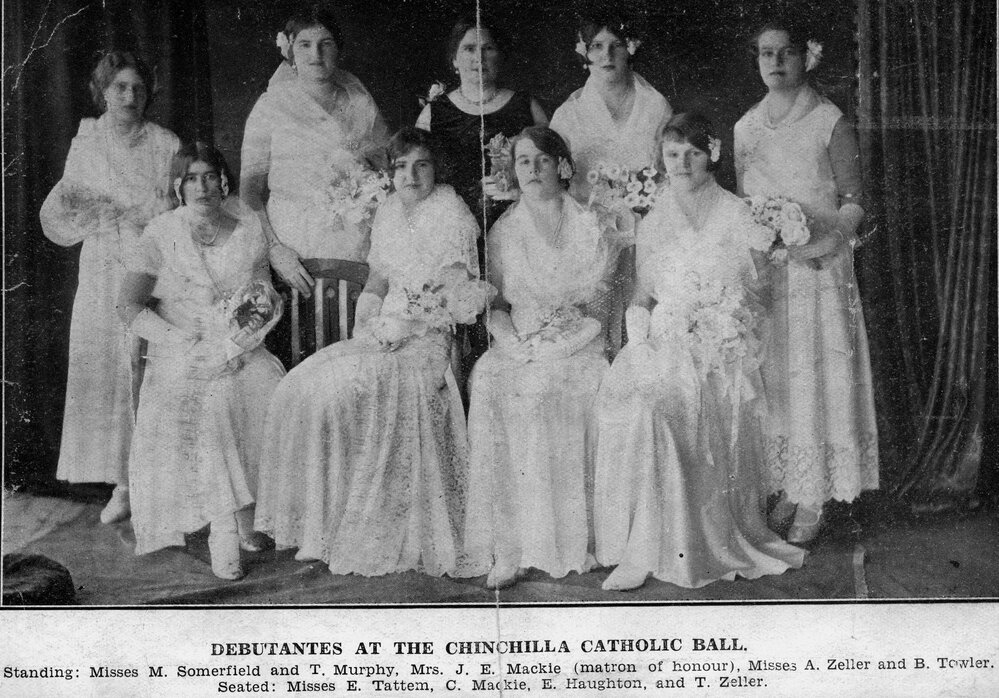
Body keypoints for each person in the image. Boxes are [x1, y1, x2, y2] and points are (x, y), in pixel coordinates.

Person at [254, 128, 486, 577]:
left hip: (428, 338)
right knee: (301, 386)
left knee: (353, 391)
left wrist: (409, 325)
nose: (410, 175)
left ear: (435, 169)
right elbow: (379, 278)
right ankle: (323, 524)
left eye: (421, 164)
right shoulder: (390, 212)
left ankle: (363, 525)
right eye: (401, 166)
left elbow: (455, 290)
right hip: (383, 331)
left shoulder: (452, 212)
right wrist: (368, 322)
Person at [594, 114, 805, 591]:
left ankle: (682, 544)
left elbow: (761, 296)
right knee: (639, 406)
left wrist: (725, 327)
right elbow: (641, 297)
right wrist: (639, 338)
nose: (682, 162)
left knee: (675, 411)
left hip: (724, 347)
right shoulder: (655, 219)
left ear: (711, 153)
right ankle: (640, 547)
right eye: (672, 154)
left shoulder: (739, 213)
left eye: (692, 151)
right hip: (666, 342)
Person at [734, 18, 879, 543]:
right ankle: (790, 486)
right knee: (780, 377)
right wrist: (762, 243)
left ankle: (815, 496)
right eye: (766, 53)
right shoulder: (745, 127)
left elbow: (854, 200)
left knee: (818, 376)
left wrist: (826, 239)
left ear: (807, 58)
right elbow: (744, 205)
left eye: (786, 53)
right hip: (771, 271)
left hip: (820, 269)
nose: (775, 63)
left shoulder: (830, 121)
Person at [118, 143, 285, 580]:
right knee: (211, 407)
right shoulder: (159, 233)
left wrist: (233, 346)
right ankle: (223, 527)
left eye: (210, 175)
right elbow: (129, 306)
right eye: (191, 178)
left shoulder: (247, 228)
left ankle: (250, 516)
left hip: (240, 349)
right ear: (178, 186)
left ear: (224, 180)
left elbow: (264, 299)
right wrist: (185, 346)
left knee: (261, 386)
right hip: (180, 352)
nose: (202, 186)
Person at [461, 127, 616, 589]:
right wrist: (514, 343)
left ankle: (567, 540)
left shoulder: (591, 224)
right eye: (523, 161)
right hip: (520, 341)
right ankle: (510, 545)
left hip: (578, 343)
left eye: (542, 160)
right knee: (490, 380)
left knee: (552, 391)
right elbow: (496, 303)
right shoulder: (503, 229)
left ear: (562, 167)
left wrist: (559, 345)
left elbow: (599, 305)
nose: (531, 169)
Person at [40, 50, 179, 524]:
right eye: (119, 87)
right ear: (102, 91)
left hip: (149, 266)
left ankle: (151, 480)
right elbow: (65, 207)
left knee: (146, 365)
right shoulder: (87, 141)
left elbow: (177, 209)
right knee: (107, 370)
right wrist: (102, 216)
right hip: (101, 267)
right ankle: (121, 482)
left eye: (138, 88)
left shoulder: (165, 143)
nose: (130, 96)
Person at [240, 5, 390, 297]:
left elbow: (384, 166)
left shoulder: (359, 100)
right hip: (293, 245)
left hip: (356, 238)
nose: (315, 55)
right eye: (304, 45)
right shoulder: (271, 106)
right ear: (290, 51)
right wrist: (274, 249)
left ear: (339, 49)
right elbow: (249, 192)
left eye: (326, 44)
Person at [550, 15, 672, 356]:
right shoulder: (568, 114)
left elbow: (668, 172)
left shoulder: (654, 105)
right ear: (584, 53)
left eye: (616, 45)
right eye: (597, 47)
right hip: (592, 235)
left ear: (629, 48)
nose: (607, 55)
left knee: (642, 322)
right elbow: (558, 188)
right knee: (594, 326)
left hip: (646, 229)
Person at [415, 16, 547, 222]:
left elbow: (552, 171)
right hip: (451, 224)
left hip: (519, 220)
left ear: (500, 55)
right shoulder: (434, 113)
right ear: (454, 59)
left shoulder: (527, 106)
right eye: (469, 49)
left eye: (488, 48)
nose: (479, 57)